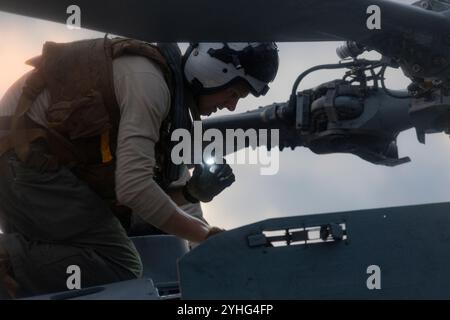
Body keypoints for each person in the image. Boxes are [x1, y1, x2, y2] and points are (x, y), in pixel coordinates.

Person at [0, 39, 279, 297]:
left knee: (83, 252)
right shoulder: (151, 85)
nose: (231, 107)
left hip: (28, 169)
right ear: (211, 71)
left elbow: (135, 202)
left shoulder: (168, 114)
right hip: (25, 156)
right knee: (120, 262)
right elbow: (134, 190)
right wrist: (208, 238)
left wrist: (191, 194)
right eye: (233, 93)